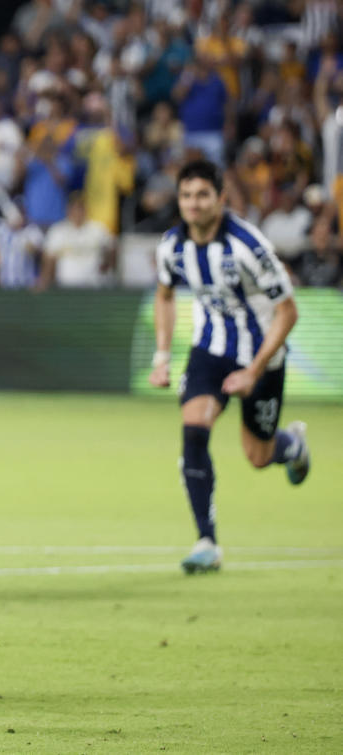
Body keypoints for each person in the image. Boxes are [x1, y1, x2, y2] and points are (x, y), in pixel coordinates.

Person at [149, 160, 311, 575]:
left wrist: (254, 370)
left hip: (263, 357)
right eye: (186, 196)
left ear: (221, 198)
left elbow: (288, 312)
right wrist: (162, 356)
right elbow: (165, 296)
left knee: (257, 456)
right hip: (211, 349)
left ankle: (292, 447)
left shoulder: (248, 247)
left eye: (202, 195)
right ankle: (207, 541)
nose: (193, 204)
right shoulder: (172, 246)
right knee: (194, 428)